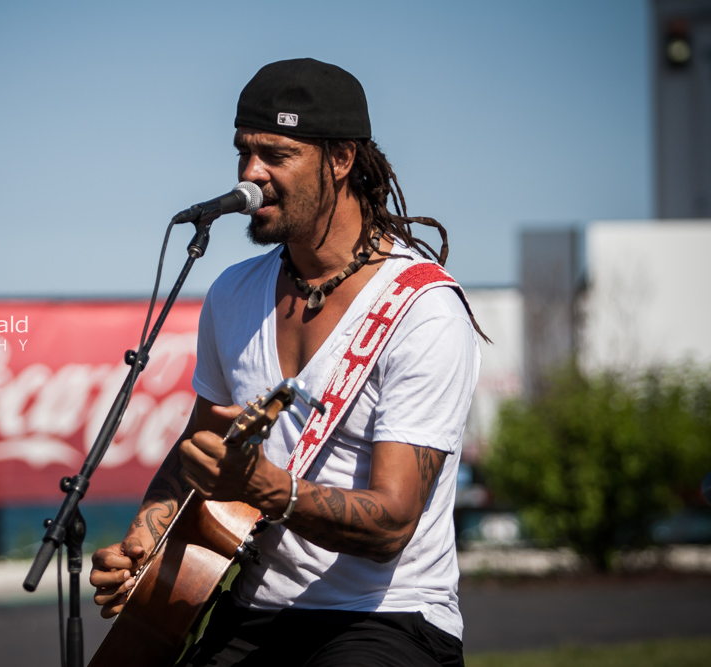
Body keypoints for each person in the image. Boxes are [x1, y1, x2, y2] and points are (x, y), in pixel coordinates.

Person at [90, 58, 486, 667]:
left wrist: (269, 491)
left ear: (341, 158)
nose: (251, 175)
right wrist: (152, 527)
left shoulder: (423, 310)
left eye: (276, 154)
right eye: (243, 152)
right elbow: (206, 440)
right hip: (252, 607)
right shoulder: (231, 293)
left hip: (387, 618)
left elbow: (392, 525)